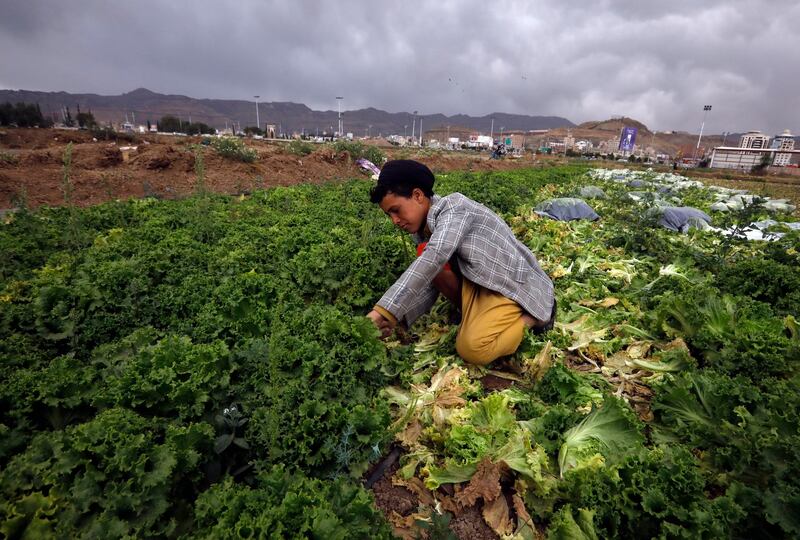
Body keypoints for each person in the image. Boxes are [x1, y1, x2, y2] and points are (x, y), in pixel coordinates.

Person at [366, 160, 556, 366]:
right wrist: (398, 319)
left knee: (473, 350)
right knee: (426, 256)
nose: (395, 220)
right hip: (482, 284)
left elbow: (436, 255)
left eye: (396, 210)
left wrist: (384, 310)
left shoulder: (454, 208)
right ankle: (472, 316)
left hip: (510, 286)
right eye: (389, 215)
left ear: (418, 196)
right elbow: (430, 279)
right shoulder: (424, 232)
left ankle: (536, 318)